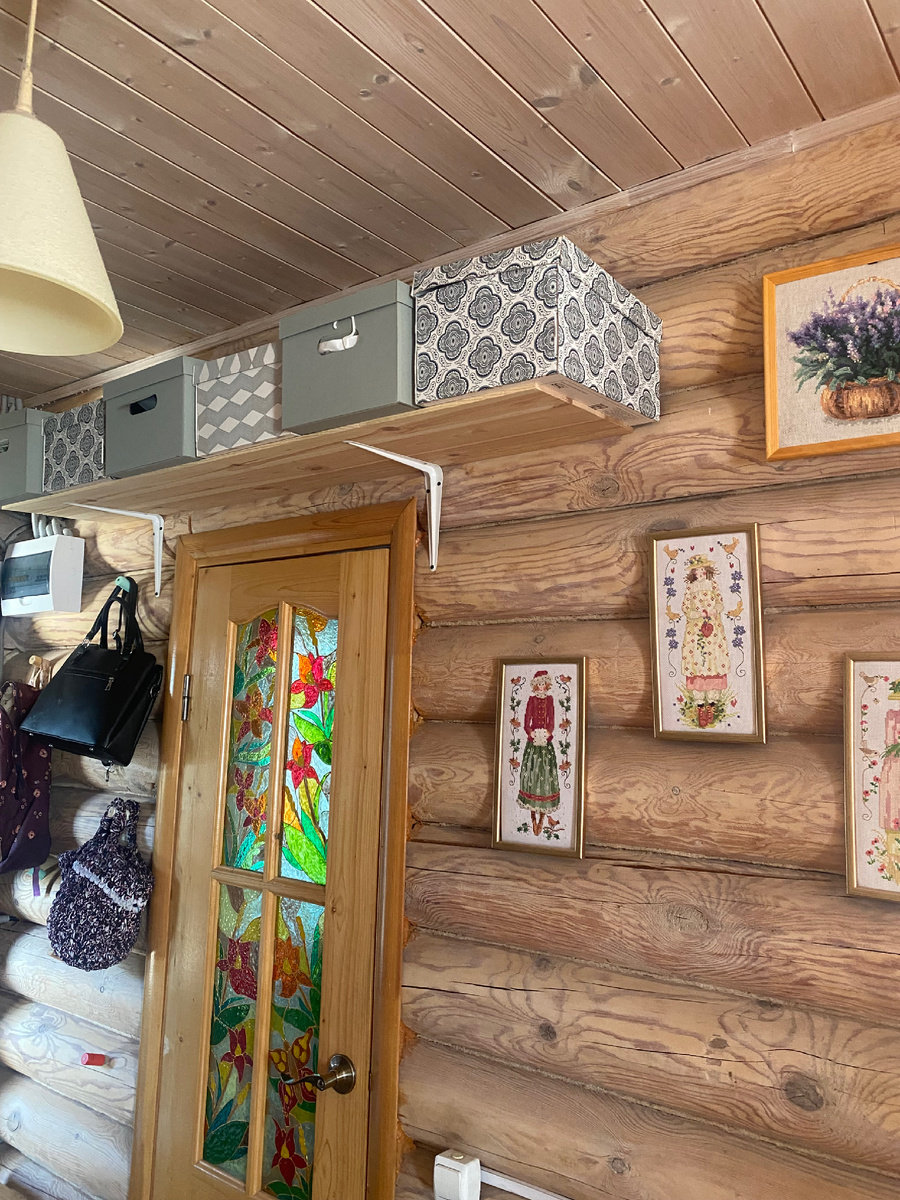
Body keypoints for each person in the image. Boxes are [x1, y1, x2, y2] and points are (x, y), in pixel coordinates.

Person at [681, 554, 730, 728]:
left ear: (706, 570)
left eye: (702, 570)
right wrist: (698, 614)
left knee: (713, 662)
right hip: (695, 630)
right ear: (693, 573)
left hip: (713, 629)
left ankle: (712, 708)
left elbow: (720, 603)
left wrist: (714, 610)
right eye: (696, 571)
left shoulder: (713, 584)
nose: (699, 573)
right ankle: (700, 708)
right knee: (697, 662)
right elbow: (685, 607)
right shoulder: (690, 588)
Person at [517, 670, 561, 836]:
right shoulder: (531, 700)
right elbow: (526, 721)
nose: (541, 687)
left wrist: (548, 732)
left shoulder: (550, 700)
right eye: (539, 684)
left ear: (546, 685)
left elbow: (551, 720)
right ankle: (532, 818)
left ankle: (542, 818)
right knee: (532, 776)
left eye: (543, 684)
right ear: (535, 686)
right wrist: (531, 733)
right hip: (533, 743)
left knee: (545, 777)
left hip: (546, 743)